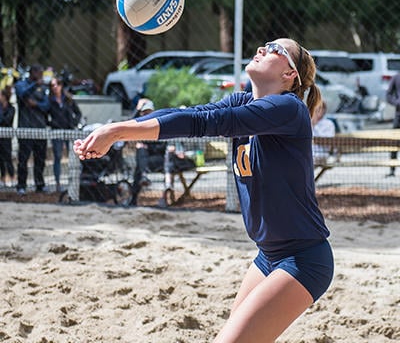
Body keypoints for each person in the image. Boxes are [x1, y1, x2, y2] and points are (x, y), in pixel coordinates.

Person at [74, 38, 334, 342]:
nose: (264, 48)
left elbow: (208, 122)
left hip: (303, 259)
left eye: (276, 49)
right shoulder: (242, 101)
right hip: (268, 256)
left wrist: (117, 131)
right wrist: (118, 129)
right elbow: (192, 116)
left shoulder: (288, 108)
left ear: (290, 75)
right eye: (266, 44)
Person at [131, 98, 195, 205]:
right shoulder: (140, 128)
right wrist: (136, 109)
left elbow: (163, 148)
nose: (146, 115)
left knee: (147, 160)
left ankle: (160, 193)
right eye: (143, 113)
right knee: (140, 151)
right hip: (148, 161)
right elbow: (129, 126)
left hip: (163, 159)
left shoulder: (159, 124)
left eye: (149, 113)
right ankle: (141, 180)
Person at [14, 64, 50, 194]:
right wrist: (35, 85)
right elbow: (22, 95)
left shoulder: (43, 88)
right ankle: (21, 185)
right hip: (25, 129)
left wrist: (36, 104)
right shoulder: (21, 84)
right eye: (39, 73)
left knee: (40, 160)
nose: (41, 76)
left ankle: (39, 185)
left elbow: (47, 105)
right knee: (23, 160)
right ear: (32, 72)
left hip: (40, 129)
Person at [49, 77, 82, 191]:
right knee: (57, 156)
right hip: (56, 132)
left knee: (73, 156)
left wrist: (73, 123)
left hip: (69, 131)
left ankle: (73, 181)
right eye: (52, 85)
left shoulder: (68, 99)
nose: (55, 87)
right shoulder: (49, 100)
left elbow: (78, 113)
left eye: (57, 84)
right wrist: (51, 123)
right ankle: (58, 183)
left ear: (61, 85)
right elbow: (45, 115)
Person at [0, 88, 16, 187]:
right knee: (0, 159)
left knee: (8, 158)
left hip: (7, 137)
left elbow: (7, 121)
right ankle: (3, 179)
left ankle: (13, 177)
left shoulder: (11, 108)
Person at [385, 72, 400, 176]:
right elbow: (388, 95)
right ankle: (392, 169)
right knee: (394, 142)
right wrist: (397, 102)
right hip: (399, 115)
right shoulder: (396, 77)